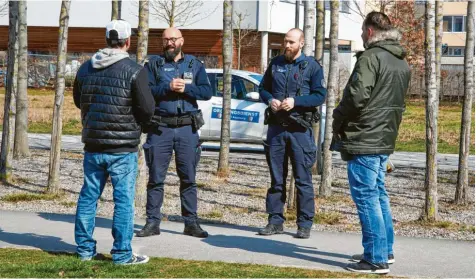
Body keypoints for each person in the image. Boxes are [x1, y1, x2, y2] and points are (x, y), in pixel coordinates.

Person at [331, 12, 410, 274]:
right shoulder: (400, 61)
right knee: (378, 195)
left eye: (362, 32)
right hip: (384, 137)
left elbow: (356, 97)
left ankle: (375, 259)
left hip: (365, 137)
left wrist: (337, 116)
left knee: (367, 198)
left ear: (369, 31)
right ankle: (382, 251)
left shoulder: (371, 58)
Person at [73, 19, 155, 265]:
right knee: (123, 202)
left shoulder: (85, 68)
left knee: (88, 198)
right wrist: (140, 124)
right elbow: (148, 108)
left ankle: (85, 251)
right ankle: (121, 254)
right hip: (122, 147)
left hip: (94, 145)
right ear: (128, 41)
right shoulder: (135, 70)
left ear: (107, 39)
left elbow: (79, 101)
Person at [136, 27, 212, 238]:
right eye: (166, 39)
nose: (170, 43)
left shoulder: (195, 65)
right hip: (160, 128)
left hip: (187, 129)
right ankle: (152, 223)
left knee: (188, 178)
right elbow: (146, 92)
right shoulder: (153, 65)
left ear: (182, 41)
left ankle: (191, 223)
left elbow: (207, 92)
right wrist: (168, 87)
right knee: (156, 178)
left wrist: (186, 89)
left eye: (173, 39)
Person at [258, 28, 327, 239]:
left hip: (300, 131)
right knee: (276, 179)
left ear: (301, 43)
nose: (287, 46)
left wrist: (296, 102)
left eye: (291, 42)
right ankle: (275, 221)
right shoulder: (276, 63)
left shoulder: (312, 67)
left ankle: (304, 224)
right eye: (285, 42)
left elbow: (320, 96)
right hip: (277, 129)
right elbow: (263, 89)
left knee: (303, 180)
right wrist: (270, 100)